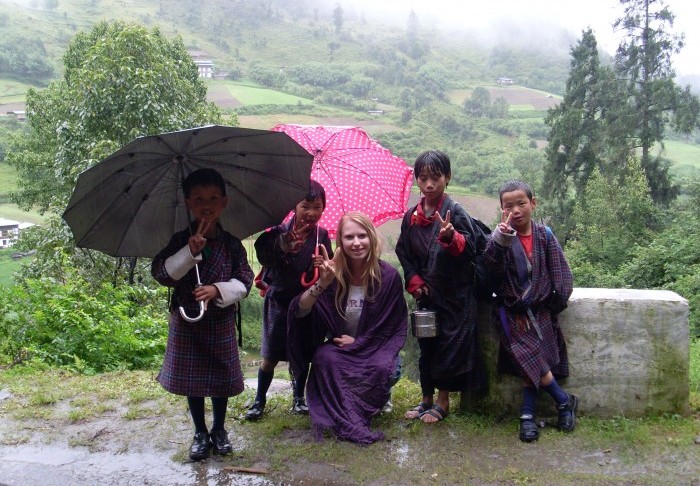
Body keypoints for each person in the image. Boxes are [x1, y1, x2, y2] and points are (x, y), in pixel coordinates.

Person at [151, 168, 254, 460]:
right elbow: (161, 273)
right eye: (198, 199)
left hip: (220, 322)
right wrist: (187, 252)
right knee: (192, 380)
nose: (206, 205)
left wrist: (217, 290)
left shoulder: (232, 244)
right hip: (187, 320)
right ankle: (199, 431)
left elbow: (245, 279)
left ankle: (219, 429)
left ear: (224, 202)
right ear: (188, 203)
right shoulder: (179, 240)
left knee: (220, 379)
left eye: (212, 198)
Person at [287, 211, 407, 444]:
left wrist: (360, 343)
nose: (356, 242)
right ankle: (348, 405)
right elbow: (300, 311)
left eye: (362, 236)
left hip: (374, 348)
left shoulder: (388, 277)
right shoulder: (333, 274)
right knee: (324, 357)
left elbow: (392, 327)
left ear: (371, 238)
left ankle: (378, 397)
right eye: (349, 237)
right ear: (340, 241)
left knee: (384, 367)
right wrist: (322, 283)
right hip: (341, 348)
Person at [395, 150, 484, 424]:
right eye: (423, 178)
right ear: (417, 182)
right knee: (427, 347)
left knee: (447, 347)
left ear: (448, 177)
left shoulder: (454, 212)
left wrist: (451, 236)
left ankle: (443, 401)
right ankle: (426, 398)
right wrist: (414, 281)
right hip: (427, 295)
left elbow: (472, 248)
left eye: (436, 177)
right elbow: (404, 252)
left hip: (455, 296)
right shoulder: (412, 216)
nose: (429, 184)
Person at [484, 180, 576, 443]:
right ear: (502, 209)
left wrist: (553, 307)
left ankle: (527, 415)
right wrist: (501, 239)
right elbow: (491, 267)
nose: (516, 210)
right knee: (529, 354)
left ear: (533, 204)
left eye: (521, 203)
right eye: (508, 205)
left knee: (531, 359)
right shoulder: (498, 237)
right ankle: (562, 400)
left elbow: (562, 275)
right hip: (512, 314)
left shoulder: (544, 235)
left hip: (540, 311)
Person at [245, 181, 333, 421]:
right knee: (270, 355)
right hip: (279, 303)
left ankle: (299, 399)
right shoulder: (278, 231)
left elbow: (330, 267)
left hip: (306, 306)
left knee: (303, 353)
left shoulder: (322, 235)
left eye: (317, 206)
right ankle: (259, 400)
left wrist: (322, 265)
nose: (311, 212)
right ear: (294, 206)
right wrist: (285, 245)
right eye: (306, 206)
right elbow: (265, 256)